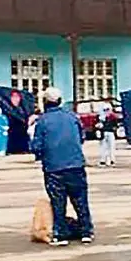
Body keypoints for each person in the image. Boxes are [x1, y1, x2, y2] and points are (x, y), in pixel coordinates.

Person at [31, 87, 94, 246]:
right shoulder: (72, 117)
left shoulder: (42, 121)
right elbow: (81, 137)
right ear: (60, 101)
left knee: (58, 202)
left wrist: (40, 155)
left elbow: (36, 146)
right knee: (80, 200)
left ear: (45, 102)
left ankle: (61, 234)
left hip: (54, 167)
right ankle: (86, 231)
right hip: (76, 164)